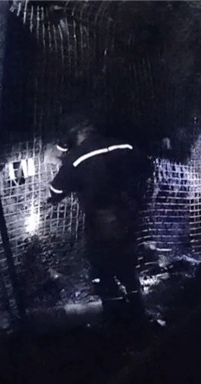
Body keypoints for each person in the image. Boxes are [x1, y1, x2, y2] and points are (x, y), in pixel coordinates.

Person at [48, 115, 150, 324]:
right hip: (128, 215)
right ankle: (138, 311)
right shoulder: (123, 146)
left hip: (100, 221)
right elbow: (146, 168)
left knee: (102, 269)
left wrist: (66, 168)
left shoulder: (76, 158)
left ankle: (115, 317)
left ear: (77, 135)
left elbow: (55, 191)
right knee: (127, 265)